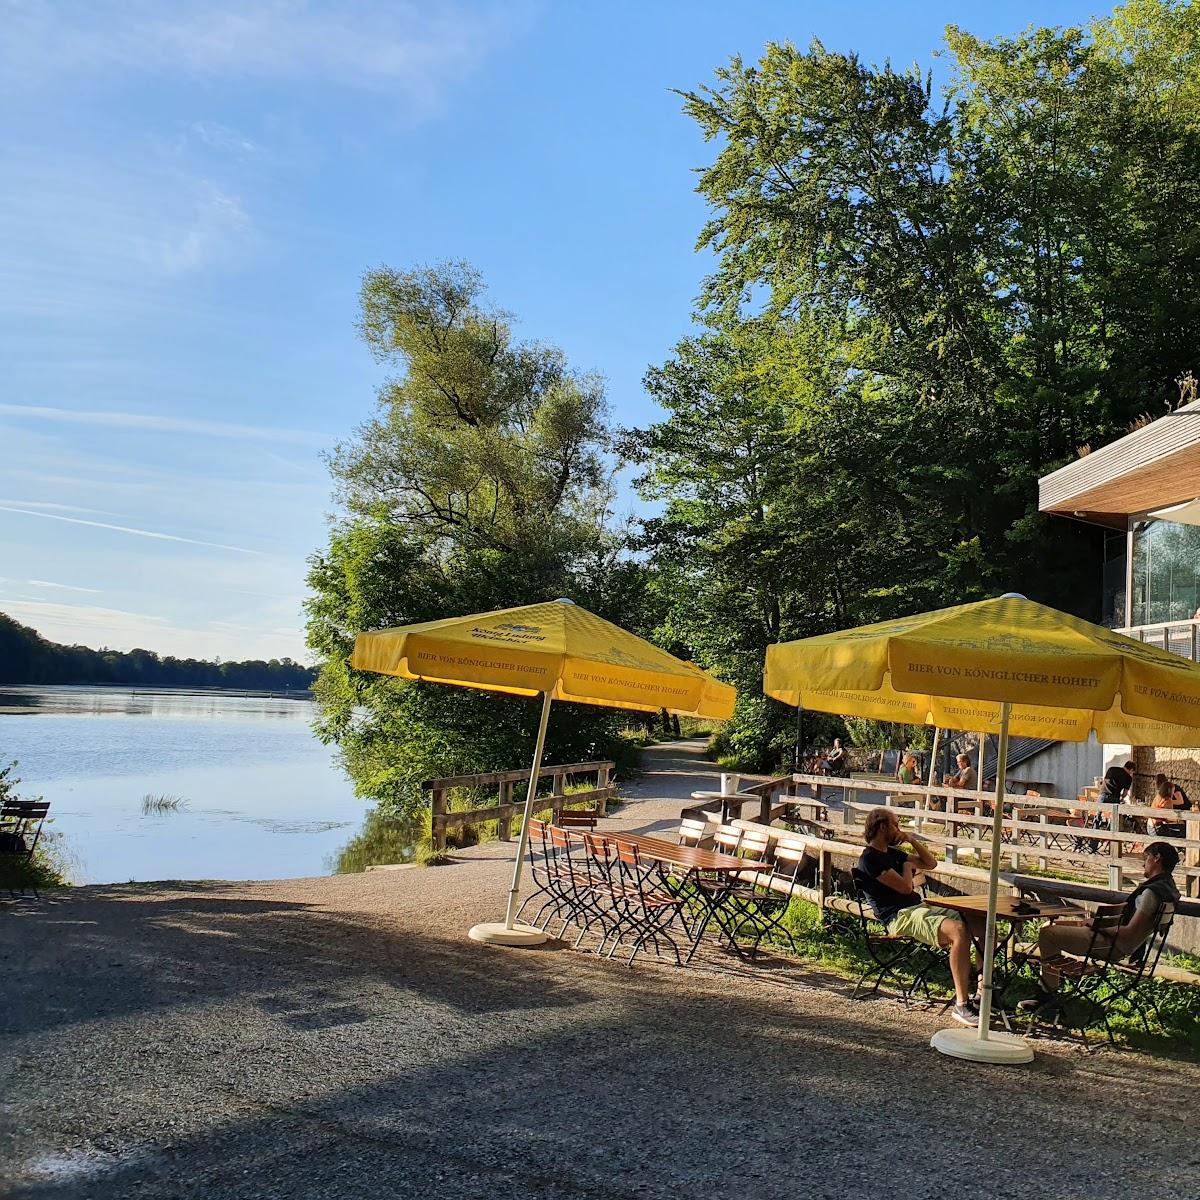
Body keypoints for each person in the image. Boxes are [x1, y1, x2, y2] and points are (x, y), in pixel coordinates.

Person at [856, 807, 985, 1026]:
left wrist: (911, 840)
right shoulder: (870, 859)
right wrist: (907, 866)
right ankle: (962, 1005)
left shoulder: (892, 853)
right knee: (959, 930)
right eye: (896, 825)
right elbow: (906, 888)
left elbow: (931, 864)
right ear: (883, 826)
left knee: (981, 921)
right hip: (899, 917)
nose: (899, 829)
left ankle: (983, 992)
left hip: (920, 907)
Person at [1019, 842, 1180, 1013]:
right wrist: (1094, 924)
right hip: (1116, 942)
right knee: (1053, 925)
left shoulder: (1151, 893)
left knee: (1047, 933)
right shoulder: (1167, 888)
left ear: (1157, 858)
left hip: (1113, 945)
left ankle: (1047, 996)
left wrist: (1097, 927)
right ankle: (1047, 991)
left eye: (1146, 857)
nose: (1143, 863)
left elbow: (1129, 933)